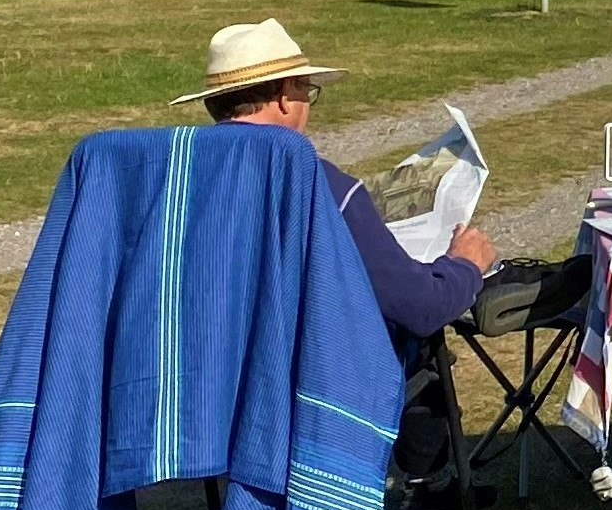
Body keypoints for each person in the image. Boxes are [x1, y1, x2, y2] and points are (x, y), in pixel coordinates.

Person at [180, 19, 494, 348]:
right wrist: (465, 264)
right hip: (299, 381)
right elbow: (422, 307)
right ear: (286, 95)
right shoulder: (318, 185)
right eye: (307, 92)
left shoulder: (177, 179)